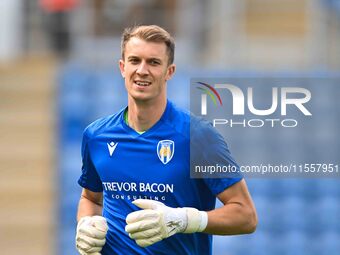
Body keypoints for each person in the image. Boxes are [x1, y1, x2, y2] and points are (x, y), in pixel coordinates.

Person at [75, 25, 257, 255]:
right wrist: (85, 224)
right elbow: (90, 198)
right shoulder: (96, 136)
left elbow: (246, 216)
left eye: (153, 62)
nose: (142, 70)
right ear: (122, 67)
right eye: (134, 60)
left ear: (169, 71)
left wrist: (185, 219)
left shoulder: (198, 136)